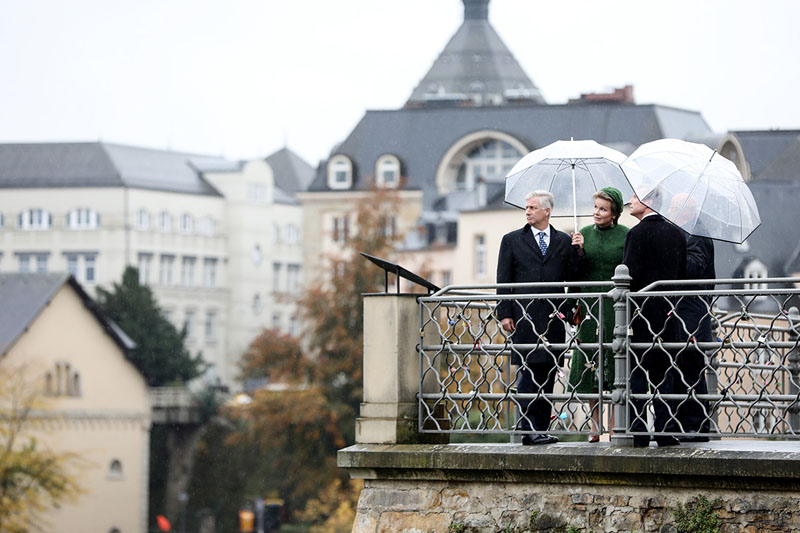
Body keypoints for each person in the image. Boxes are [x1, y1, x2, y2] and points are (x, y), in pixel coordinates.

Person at [496, 190, 582, 445]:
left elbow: (574, 279)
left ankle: (540, 429)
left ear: (547, 211)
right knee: (529, 373)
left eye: (533, 207)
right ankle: (528, 428)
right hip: (525, 317)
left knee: (548, 374)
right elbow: (504, 279)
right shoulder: (512, 240)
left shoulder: (563, 241)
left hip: (553, 318)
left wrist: (578, 252)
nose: (528, 211)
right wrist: (505, 313)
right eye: (527, 207)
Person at [622, 188, 686, 447]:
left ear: (648, 202)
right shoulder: (677, 234)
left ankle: (639, 431)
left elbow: (628, 276)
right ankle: (665, 429)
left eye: (635, 198)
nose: (630, 202)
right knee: (665, 374)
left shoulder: (635, 234)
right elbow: (682, 276)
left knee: (637, 374)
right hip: (669, 314)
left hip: (640, 314)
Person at [568, 187, 629, 442]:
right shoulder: (582, 234)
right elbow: (574, 274)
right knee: (591, 364)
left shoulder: (627, 236)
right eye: (595, 208)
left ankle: (614, 425)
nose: (597, 213)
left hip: (616, 306)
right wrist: (578, 252)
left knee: (616, 364)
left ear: (614, 214)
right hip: (590, 305)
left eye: (603, 209)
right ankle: (594, 425)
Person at [669, 193, 715, 442]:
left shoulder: (697, 233)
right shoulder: (684, 232)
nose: (671, 211)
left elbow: (695, 269)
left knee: (690, 369)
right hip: (683, 312)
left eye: (675, 207)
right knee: (680, 368)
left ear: (687, 210)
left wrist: (672, 251)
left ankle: (696, 425)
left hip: (692, 313)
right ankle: (682, 423)